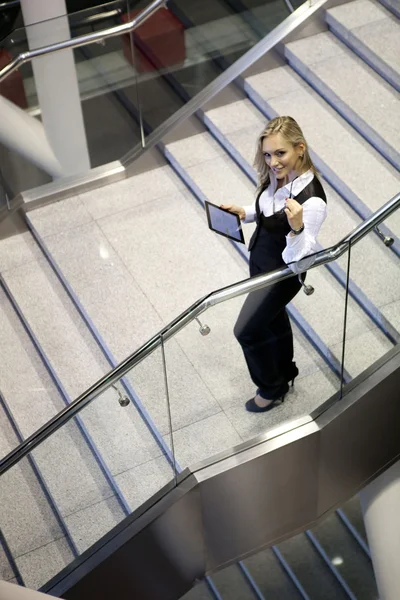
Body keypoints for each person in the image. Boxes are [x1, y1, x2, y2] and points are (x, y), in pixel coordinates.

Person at [221, 116, 327, 413]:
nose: (273, 162)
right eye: (268, 154)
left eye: (280, 153)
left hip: (281, 274)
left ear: (300, 149)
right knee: (274, 318)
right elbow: (269, 209)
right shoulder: (279, 177)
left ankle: (270, 386)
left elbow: (302, 256)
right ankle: (285, 373)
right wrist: (246, 212)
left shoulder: (313, 201)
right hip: (261, 261)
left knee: (247, 331)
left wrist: (296, 227)